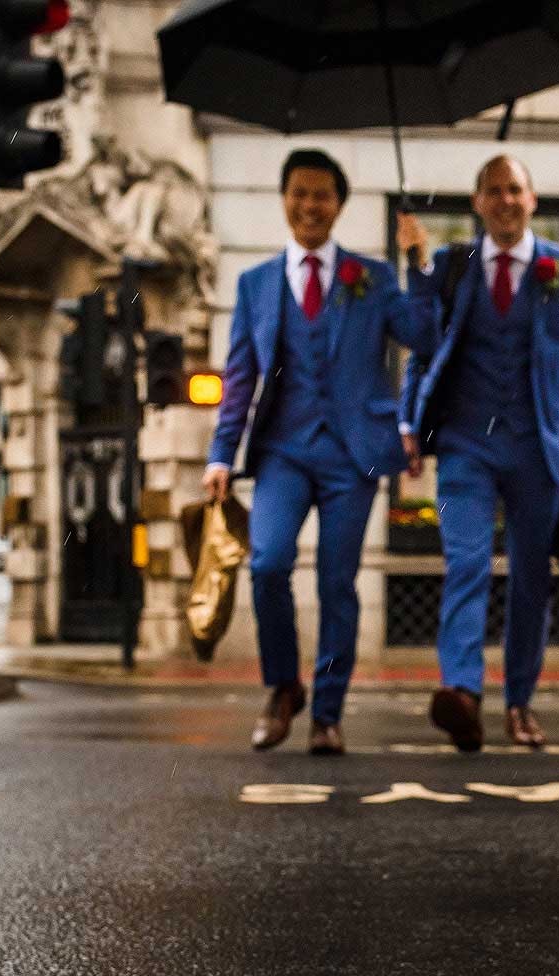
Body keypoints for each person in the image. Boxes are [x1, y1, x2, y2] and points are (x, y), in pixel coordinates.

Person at [203, 149, 436, 755]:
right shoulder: (256, 285)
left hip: (353, 455)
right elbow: (240, 376)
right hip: (283, 450)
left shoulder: (372, 276)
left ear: (339, 205)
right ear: (285, 200)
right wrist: (220, 455)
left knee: (338, 583)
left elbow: (423, 335)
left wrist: (419, 262)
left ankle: (328, 713)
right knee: (267, 564)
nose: (310, 205)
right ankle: (284, 687)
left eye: (322, 195)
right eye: (300, 193)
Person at [401, 155, 559, 752]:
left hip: (538, 447)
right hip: (465, 443)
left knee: (530, 578)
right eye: (492, 191)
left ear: (532, 199)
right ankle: (463, 693)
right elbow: (422, 347)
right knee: (466, 562)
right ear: (477, 203)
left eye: (514, 189)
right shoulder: (452, 264)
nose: (505, 200)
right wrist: (410, 423)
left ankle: (519, 701)